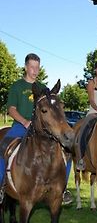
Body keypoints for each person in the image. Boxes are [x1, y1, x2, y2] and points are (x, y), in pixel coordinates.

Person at [0, 53, 72, 204]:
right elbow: (11, 109)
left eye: (37, 68)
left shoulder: (42, 88)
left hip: (42, 130)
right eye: (32, 67)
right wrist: (24, 122)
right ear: (26, 67)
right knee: (3, 146)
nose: (34, 70)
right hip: (20, 126)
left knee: (67, 151)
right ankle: (1, 186)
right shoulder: (17, 86)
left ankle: (62, 190)